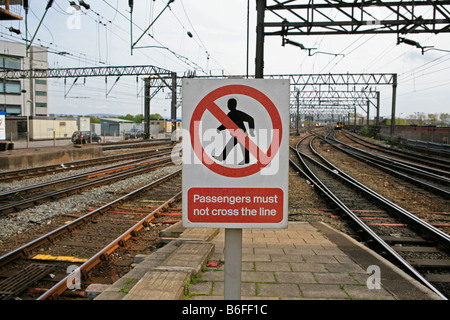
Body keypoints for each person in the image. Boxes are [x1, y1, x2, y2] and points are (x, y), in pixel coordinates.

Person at [213, 98, 255, 165]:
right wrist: (219, 129)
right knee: (238, 146)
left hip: (241, 133)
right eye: (228, 104)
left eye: (229, 104)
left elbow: (250, 119)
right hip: (238, 134)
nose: (228, 106)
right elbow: (226, 124)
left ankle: (222, 157)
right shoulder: (230, 114)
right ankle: (222, 157)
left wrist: (251, 130)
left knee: (237, 146)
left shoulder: (236, 113)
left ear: (234, 105)